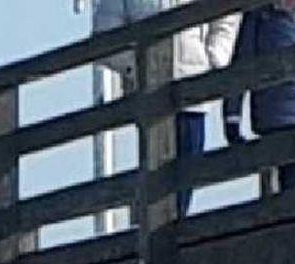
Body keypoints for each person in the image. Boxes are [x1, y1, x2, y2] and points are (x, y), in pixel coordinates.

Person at [92, 0, 241, 213]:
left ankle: (177, 225)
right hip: (150, 98)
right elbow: (105, 36)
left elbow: (227, 14)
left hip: (192, 88)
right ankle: (158, 227)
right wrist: (140, 68)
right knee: (156, 174)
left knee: (189, 172)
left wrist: (215, 56)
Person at [226, 0, 295, 194]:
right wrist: (232, 116)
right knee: (292, 185)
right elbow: (242, 66)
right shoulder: (260, 15)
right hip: (277, 116)